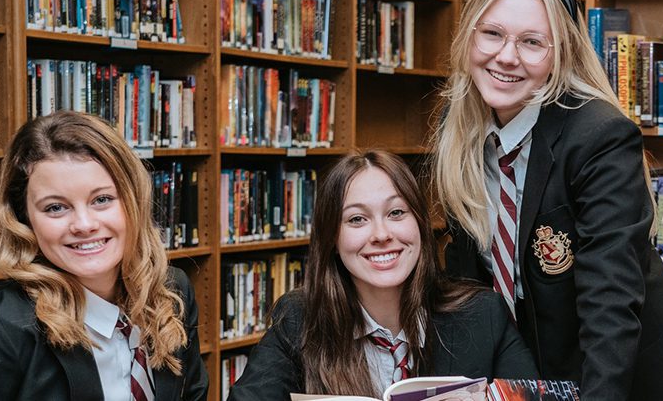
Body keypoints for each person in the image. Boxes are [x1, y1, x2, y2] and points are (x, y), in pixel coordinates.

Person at [431, 0, 663, 398]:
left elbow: (609, 304)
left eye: (532, 42)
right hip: (537, 378)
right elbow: (471, 291)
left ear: (561, 54)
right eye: (492, 34)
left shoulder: (598, 136)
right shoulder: (457, 128)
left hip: (627, 383)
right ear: (468, 37)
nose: (506, 56)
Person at [0, 111, 208, 401]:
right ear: (25, 220)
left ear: (133, 201)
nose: (84, 225)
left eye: (102, 200)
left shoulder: (169, 293)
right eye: (55, 208)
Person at [228, 150, 537, 399]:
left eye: (396, 213)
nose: (381, 234)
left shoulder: (483, 315)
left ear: (419, 223)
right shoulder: (300, 320)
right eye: (357, 219)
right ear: (332, 240)